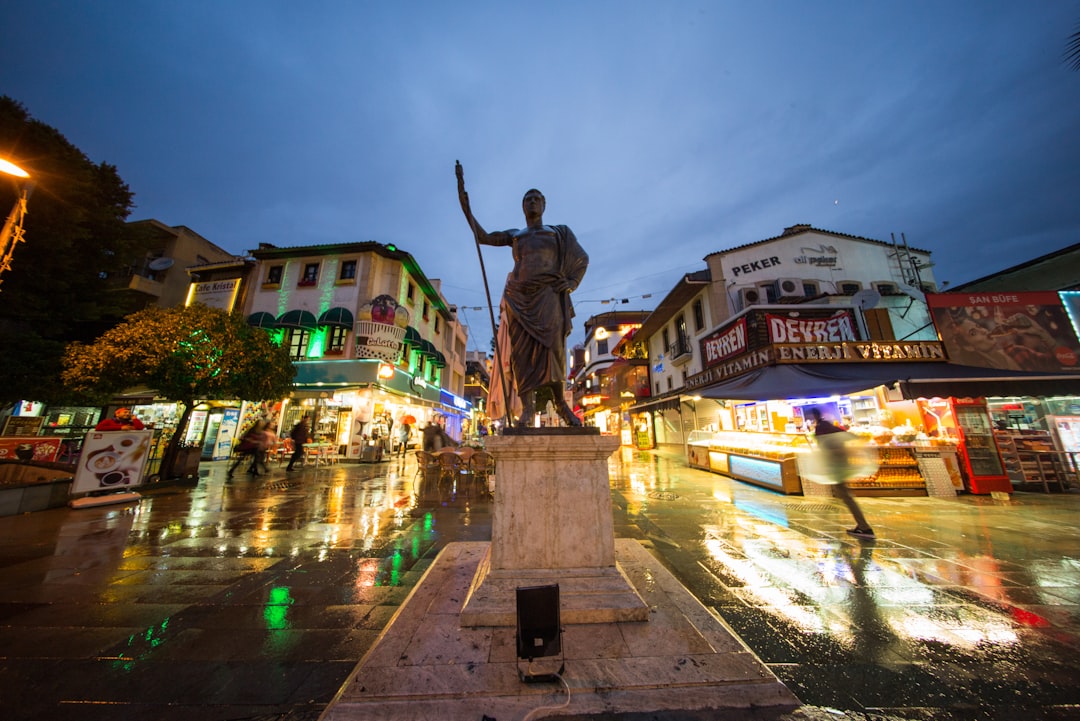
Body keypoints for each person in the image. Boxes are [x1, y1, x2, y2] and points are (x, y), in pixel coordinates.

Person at [457, 162, 588, 427]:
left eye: (537, 198)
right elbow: (482, 237)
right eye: (528, 199)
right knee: (520, 355)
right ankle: (527, 409)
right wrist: (465, 204)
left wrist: (572, 282)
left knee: (554, 352)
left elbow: (582, 258)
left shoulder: (558, 233)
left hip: (549, 295)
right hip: (519, 298)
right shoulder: (516, 236)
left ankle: (561, 405)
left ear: (544, 205)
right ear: (523, 206)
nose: (533, 202)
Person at [810, 407, 875, 540]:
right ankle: (861, 525)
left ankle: (864, 527)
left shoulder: (822, 429)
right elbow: (850, 437)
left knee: (846, 497)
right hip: (841, 466)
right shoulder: (829, 427)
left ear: (815, 416)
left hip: (837, 468)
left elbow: (824, 447)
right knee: (844, 496)